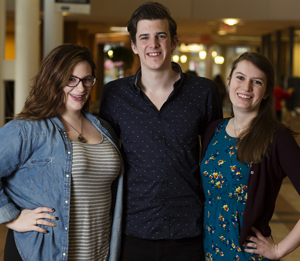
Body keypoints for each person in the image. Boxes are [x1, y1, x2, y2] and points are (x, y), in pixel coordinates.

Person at [99, 2, 223, 260]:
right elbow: (103, 156)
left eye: (161, 36)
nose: (153, 44)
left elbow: (216, 157)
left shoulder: (203, 92)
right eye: (144, 37)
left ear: (174, 41)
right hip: (134, 228)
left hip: (190, 228)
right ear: (134, 45)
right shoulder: (114, 94)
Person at [0, 44, 123, 261]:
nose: (81, 88)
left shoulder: (105, 128)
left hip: (98, 252)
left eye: (87, 79)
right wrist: (12, 219)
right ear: (53, 80)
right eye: (71, 79)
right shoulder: (27, 130)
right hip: (44, 253)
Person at [200, 52, 300, 260]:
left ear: (266, 92)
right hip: (209, 253)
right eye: (240, 78)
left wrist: (279, 250)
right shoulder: (213, 130)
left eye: (256, 82)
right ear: (229, 82)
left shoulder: (277, 138)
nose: (246, 88)